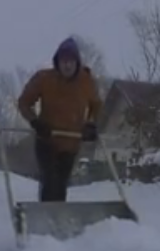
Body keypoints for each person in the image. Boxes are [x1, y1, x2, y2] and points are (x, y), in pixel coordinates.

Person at [16, 37, 102, 202]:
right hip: (46, 139)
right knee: (49, 180)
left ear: (77, 63)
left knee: (61, 185)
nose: (67, 65)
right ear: (57, 62)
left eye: (71, 61)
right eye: (63, 61)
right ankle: (45, 220)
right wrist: (35, 122)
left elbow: (96, 105)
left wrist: (90, 124)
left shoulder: (87, 82)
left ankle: (59, 221)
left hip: (71, 143)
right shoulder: (44, 79)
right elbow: (24, 103)